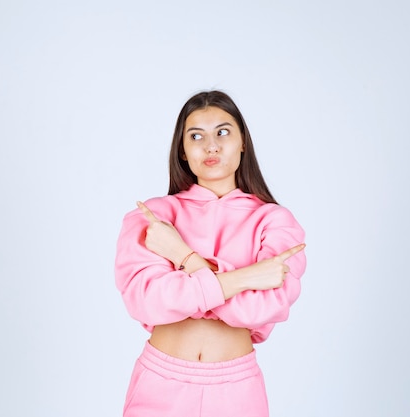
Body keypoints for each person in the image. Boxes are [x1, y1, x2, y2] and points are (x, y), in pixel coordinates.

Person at [114, 90, 307, 417]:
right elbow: (148, 301)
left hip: (236, 392)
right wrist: (246, 278)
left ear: (242, 142)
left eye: (222, 132)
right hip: (160, 385)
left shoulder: (275, 221)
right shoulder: (153, 217)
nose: (211, 145)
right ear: (183, 151)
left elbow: (261, 308)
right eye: (196, 136)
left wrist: (185, 258)